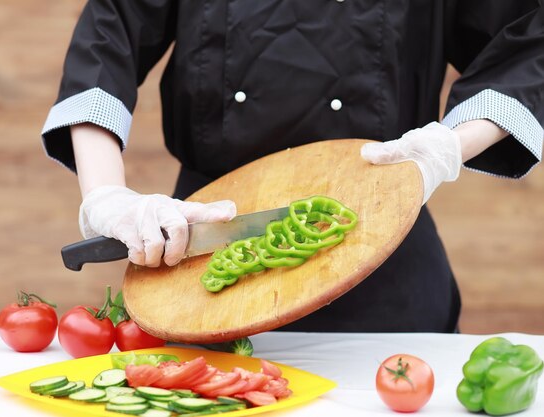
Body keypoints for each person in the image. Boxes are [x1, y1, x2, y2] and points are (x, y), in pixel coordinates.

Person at [42, 1, 543, 333]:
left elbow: (529, 40)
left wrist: (446, 147)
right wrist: (106, 195)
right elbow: (107, 40)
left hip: (382, 256)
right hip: (206, 258)